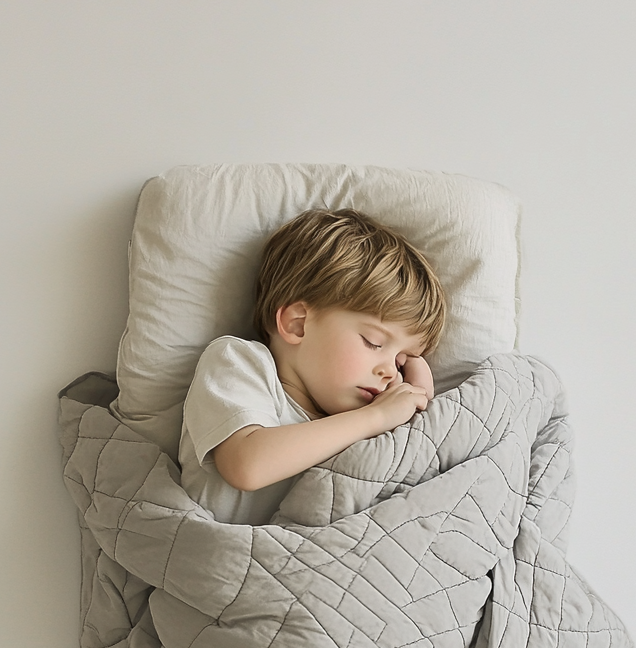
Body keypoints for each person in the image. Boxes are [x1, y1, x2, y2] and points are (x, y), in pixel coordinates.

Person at [179, 209, 446, 524]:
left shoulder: (356, 421)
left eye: (402, 361)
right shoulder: (240, 363)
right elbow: (247, 466)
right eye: (374, 342)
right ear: (298, 324)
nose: (390, 371)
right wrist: (375, 416)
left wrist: (417, 396)